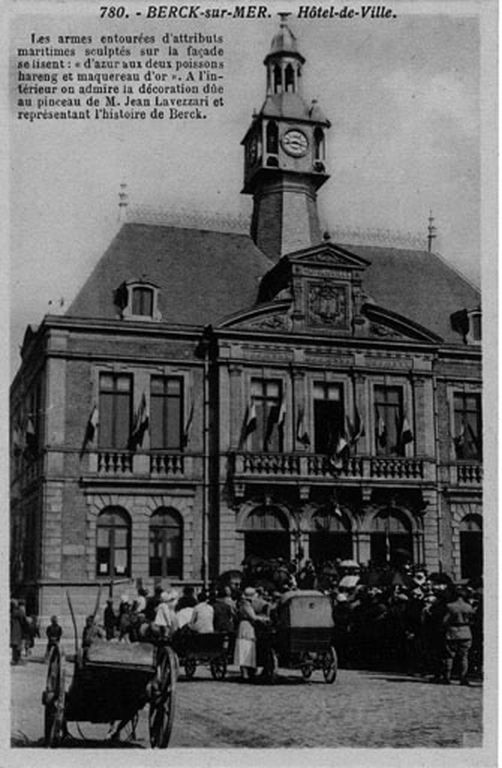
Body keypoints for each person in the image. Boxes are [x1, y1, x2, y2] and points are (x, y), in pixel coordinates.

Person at [233, 587, 269, 681]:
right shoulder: (246, 604)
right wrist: (264, 619)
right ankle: (245, 673)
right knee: (245, 647)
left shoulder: (244, 603)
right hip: (246, 626)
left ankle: (247, 671)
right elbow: (253, 617)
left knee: (247, 647)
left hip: (247, 626)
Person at [442, 587, 475, 685]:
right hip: (466, 632)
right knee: (464, 657)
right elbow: (472, 620)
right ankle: (463, 678)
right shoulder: (469, 607)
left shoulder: (450, 606)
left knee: (449, 656)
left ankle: (447, 677)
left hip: (452, 632)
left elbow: (445, 621)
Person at [10, 599, 27, 665]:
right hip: (18, 630)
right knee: (18, 645)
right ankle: (17, 659)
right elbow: (23, 621)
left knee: (15, 645)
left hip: (14, 630)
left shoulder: (13, 612)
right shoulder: (19, 612)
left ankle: (15, 659)